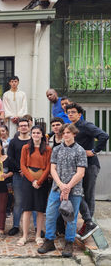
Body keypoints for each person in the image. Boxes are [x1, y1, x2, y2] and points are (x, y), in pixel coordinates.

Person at [38, 124, 87, 258]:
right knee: (51, 214)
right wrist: (61, 185)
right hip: (56, 188)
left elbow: (81, 173)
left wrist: (68, 187)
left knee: (71, 217)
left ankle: (69, 243)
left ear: (74, 134)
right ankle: (49, 241)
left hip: (74, 190)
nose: (65, 135)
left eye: (68, 133)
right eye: (64, 132)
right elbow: (52, 169)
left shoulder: (80, 151)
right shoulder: (57, 149)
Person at [66, 103, 109, 240]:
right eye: (69, 112)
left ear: (79, 114)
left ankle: (88, 224)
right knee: (78, 193)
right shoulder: (72, 128)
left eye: (73, 112)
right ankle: (88, 222)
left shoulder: (86, 125)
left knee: (89, 195)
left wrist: (94, 151)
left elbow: (104, 135)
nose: (70, 114)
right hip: (79, 167)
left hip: (90, 165)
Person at [17, 126, 51, 246]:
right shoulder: (25, 148)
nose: (36, 135)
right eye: (34, 133)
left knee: (40, 209)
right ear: (31, 134)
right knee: (27, 209)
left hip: (42, 181)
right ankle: (25, 236)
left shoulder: (47, 149)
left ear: (42, 135)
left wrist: (40, 181)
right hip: (28, 181)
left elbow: (48, 167)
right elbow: (22, 166)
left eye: (38, 133)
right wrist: (32, 181)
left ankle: (38, 236)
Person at [7, 118, 31, 236]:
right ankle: (15, 226)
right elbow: (10, 158)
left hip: (32, 175)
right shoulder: (13, 142)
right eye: (21, 126)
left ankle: (37, 228)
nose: (23, 127)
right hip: (18, 175)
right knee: (18, 201)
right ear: (18, 128)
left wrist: (28, 170)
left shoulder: (33, 140)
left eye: (25, 125)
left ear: (29, 127)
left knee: (33, 201)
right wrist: (20, 169)